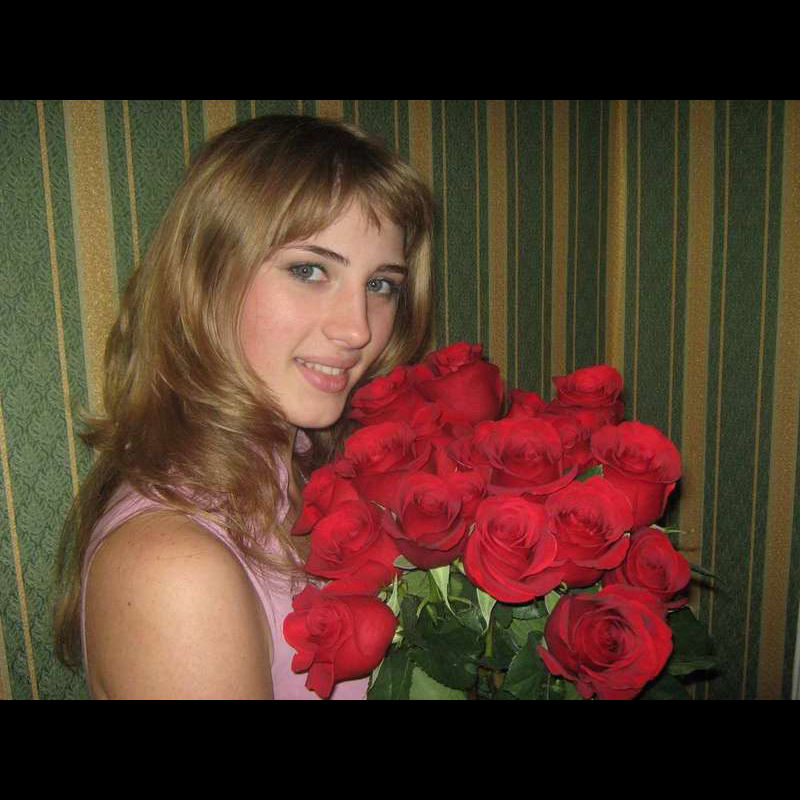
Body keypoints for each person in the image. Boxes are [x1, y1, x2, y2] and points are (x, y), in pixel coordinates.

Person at [52, 114, 434, 699]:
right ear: (206, 278)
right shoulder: (174, 569)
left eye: (381, 284)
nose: (358, 329)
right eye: (309, 270)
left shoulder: (311, 467)